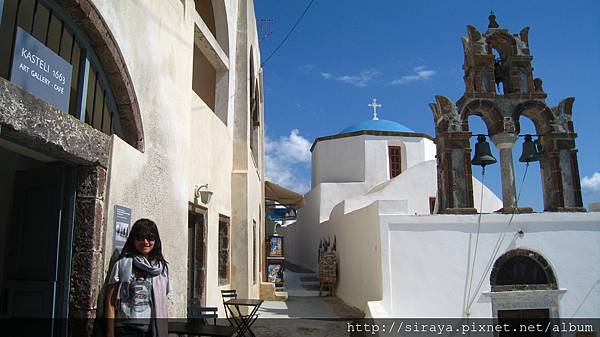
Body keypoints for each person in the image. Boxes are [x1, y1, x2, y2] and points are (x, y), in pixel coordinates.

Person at [105, 218, 170, 337]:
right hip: (126, 330)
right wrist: (110, 333)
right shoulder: (122, 264)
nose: (145, 242)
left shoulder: (161, 269)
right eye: (140, 237)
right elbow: (110, 302)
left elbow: (163, 301)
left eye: (150, 237)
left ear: (156, 240)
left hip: (151, 330)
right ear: (133, 239)